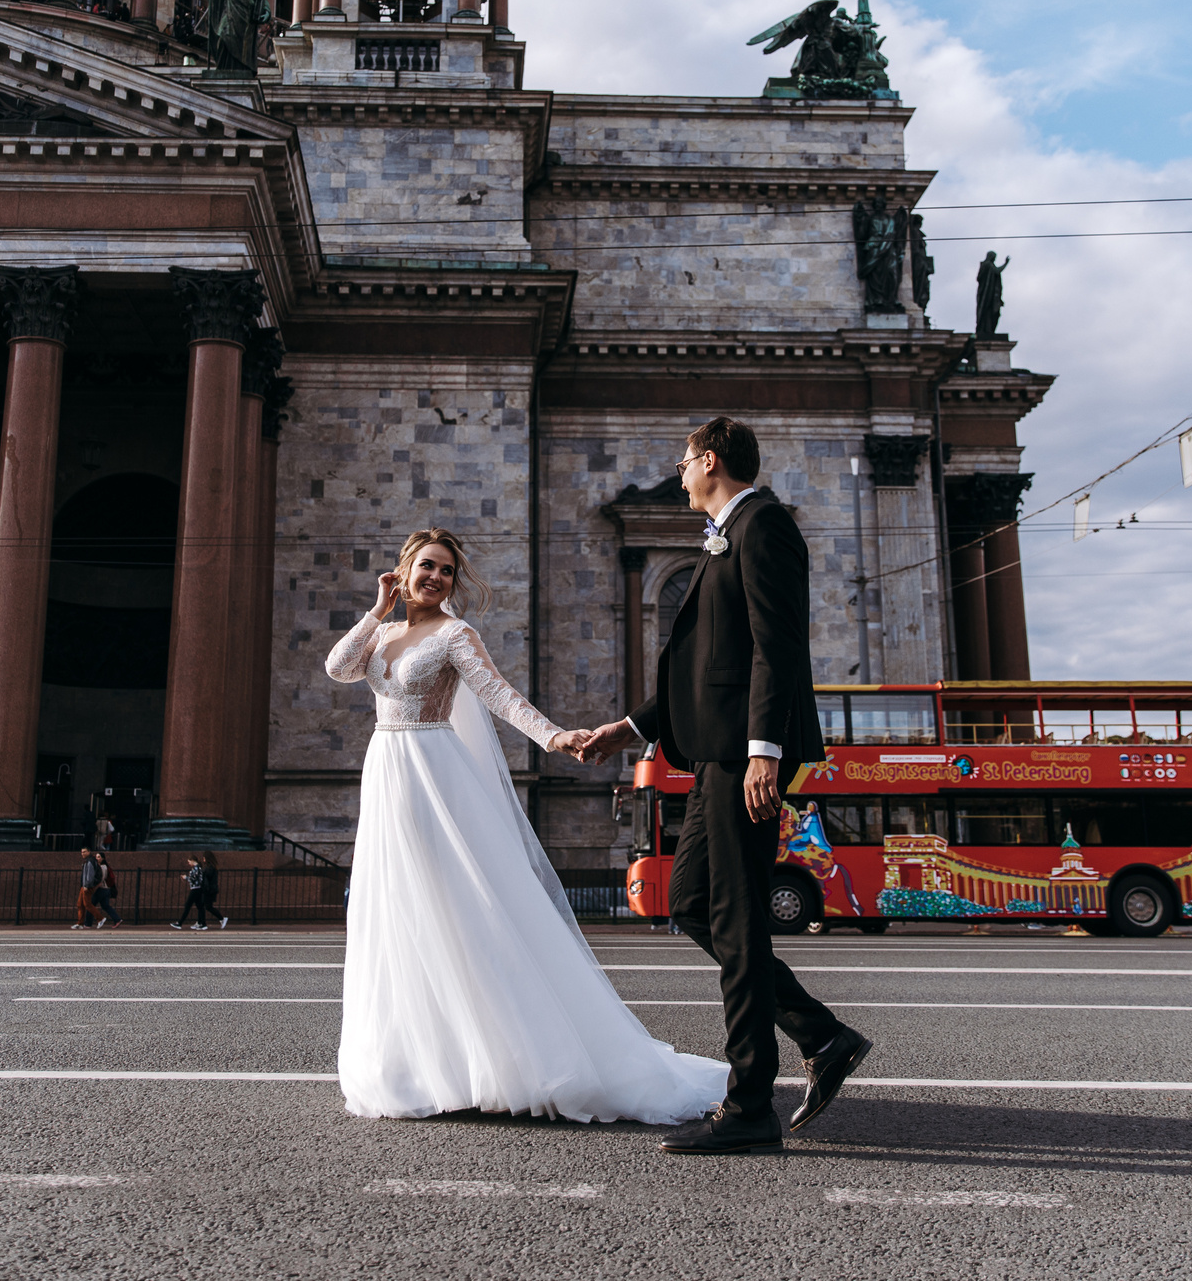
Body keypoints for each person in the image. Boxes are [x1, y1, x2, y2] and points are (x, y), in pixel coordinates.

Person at [324, 527, 728, 1124]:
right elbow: (337, 668)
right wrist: (377, 607)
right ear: (404, 569)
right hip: (386, 777)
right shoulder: (382, 633)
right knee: (398, 912)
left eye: (446, 572)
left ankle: (504, 1059)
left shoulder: (456, 634)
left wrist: (555, 736)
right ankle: (426, 1065)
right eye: (427, 567)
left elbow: (499, 695)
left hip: (435, 773)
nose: (436, 578)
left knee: (460, 912)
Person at [570, 417, 872, 1153]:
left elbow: (776, 644)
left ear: (709, 460)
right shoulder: (725, 536)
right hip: (713, 756)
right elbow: (705, 662)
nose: (677, 475)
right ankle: (822, 1034)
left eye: (682, 461)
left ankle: (749, 1106)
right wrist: (630, 727)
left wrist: (765, 751)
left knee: (736, 921)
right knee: (695, 902)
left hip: (744, 757)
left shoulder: (764, 525)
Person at [172, 857, 217, 931]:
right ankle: (203, 923)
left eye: (189, 861)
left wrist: (186, 877)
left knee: (188, 905)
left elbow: (195, 879)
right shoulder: (198, 868)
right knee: (200, 906)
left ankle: (180, 923)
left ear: (193, 861)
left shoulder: (197, 868)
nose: (189, 863)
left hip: (195, 889)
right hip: (197, 889)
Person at [77, 849, 105, 931]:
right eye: (81, 852)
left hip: (87, 886)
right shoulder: (88, 861)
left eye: (84, 852)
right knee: (80, 904)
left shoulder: (90, 862)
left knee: (87, 904)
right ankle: (80, 923)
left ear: (89, 852)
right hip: (84, 885)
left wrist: (87, 885)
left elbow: (89, 875)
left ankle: (100, 918)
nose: (82, 853)